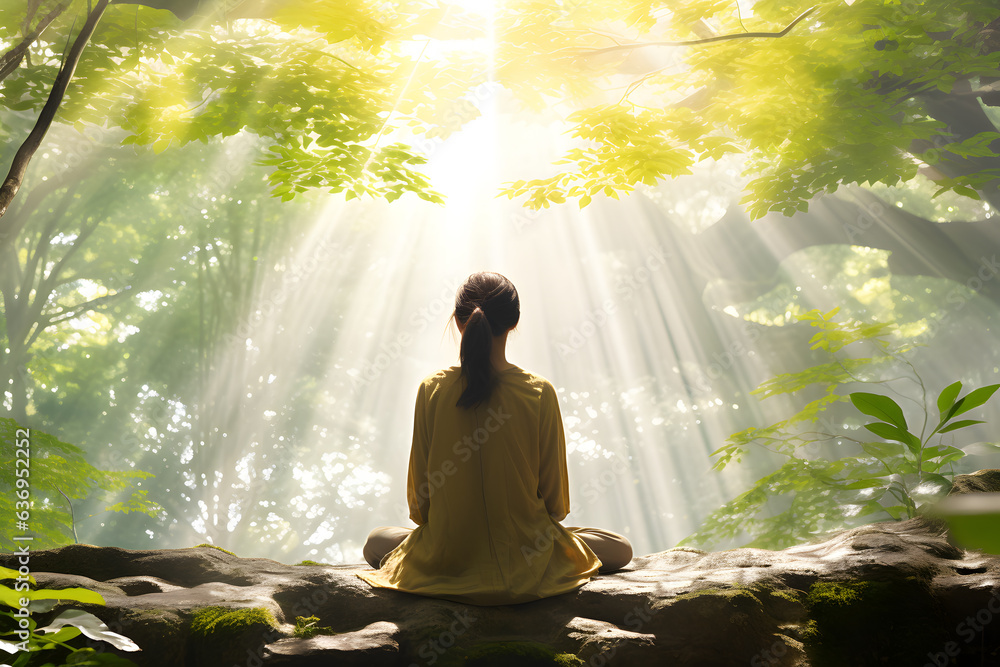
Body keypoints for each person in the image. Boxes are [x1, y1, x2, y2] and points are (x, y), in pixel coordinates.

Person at [356, 271, 632, 605]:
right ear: (513, 323)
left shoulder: (431, 389)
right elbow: (556, 506)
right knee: (620, 548)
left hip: (448, 558)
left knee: (376, 542)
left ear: (459, 322)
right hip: (528, 561)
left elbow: (420, 506)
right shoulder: (538, 392)